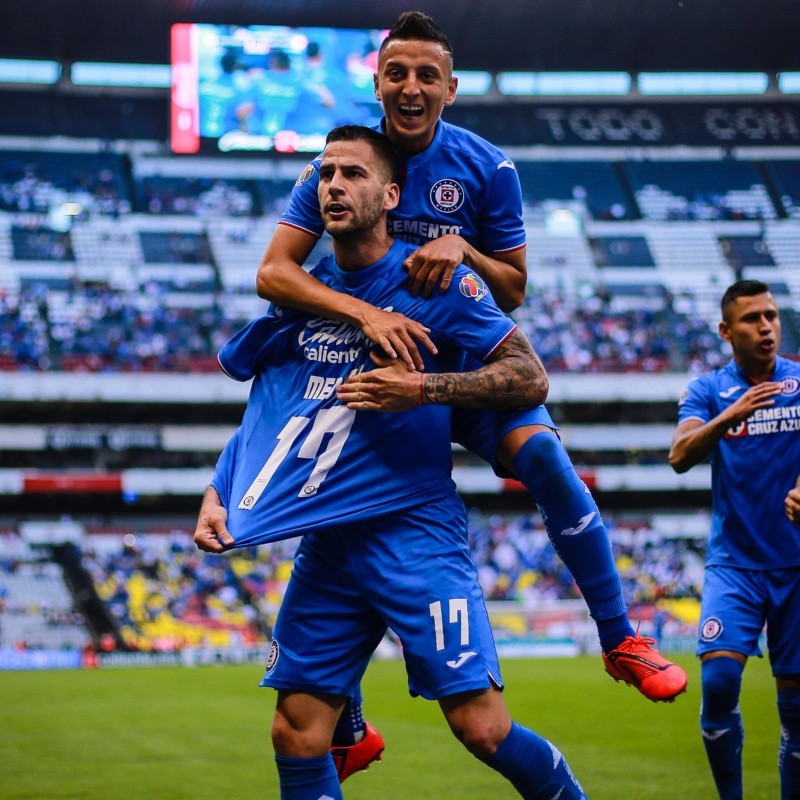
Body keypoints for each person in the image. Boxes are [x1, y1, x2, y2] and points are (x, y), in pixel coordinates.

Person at [253, 9, 687, 780]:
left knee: (544, 455)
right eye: (397, 72)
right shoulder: (342, 162)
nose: (411, 86)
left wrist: (466, 252)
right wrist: (370, 313)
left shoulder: (486, 167)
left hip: (464, 367)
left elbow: (514, 291)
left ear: (450, 89)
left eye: (427, 75)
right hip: (382, 368)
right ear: (377, 80)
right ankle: (343, 717)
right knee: (341, 501)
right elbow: (274, 273)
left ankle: (619, 635)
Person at [196, 125, 588, 800]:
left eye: (352, 174)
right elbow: (276, 408)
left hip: (414, 529)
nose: (335, 186)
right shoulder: (304, 295)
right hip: (330, 538)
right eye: (325, 175)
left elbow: (531, 377)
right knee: (296, 731)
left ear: (390, 192)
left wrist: (424, 387)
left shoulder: (435, 283)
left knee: (481, 728)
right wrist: (219, 487)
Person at [668, 279, 800, 800]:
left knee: (796, 708)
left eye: (770, 316)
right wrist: (732, 415)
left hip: (795, 566)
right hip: (735, 566)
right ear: (726, 330)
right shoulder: (707, 389)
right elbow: (679, 456)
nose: (765, 326)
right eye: (751, 319)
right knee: (719, 683)